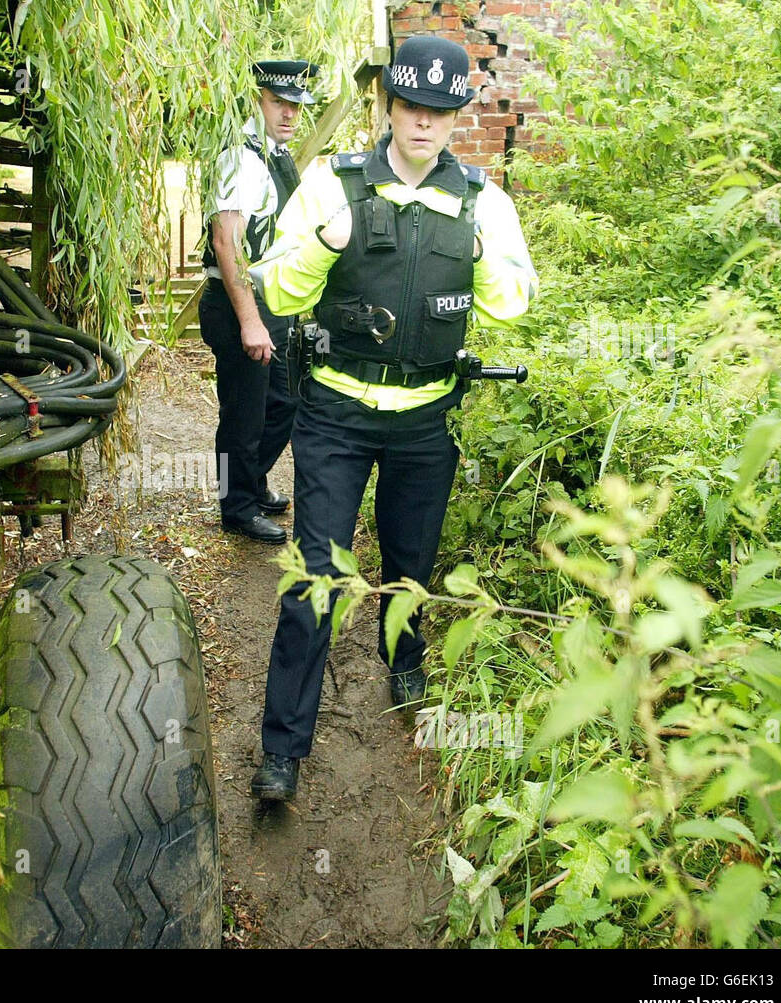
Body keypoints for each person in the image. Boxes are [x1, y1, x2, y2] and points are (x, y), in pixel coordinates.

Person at [246, 35, 538, 800]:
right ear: (386, 105)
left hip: (425, 423)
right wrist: (323, 244)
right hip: (335, 414)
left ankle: (403, 664)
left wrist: (476, 255)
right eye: (410, 105)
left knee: (412, 568)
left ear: (454, 117)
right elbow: (275, 292)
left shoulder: (483, 200)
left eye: (439, 111)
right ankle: (283, 748)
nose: (422, 123)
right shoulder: (331, 185)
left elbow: (513, 304)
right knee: (316, 578)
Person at [200, 60, 318, 544]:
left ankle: (250, 484)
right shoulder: (242, 159)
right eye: (278, 103)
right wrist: (250, 322)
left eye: (295, 105)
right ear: (256, 101)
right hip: (239, 306)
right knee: (244, 415)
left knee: (284, 403)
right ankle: (237, 508)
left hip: (274, 303)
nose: (288, 113)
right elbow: (227, 243)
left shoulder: (276, 153)